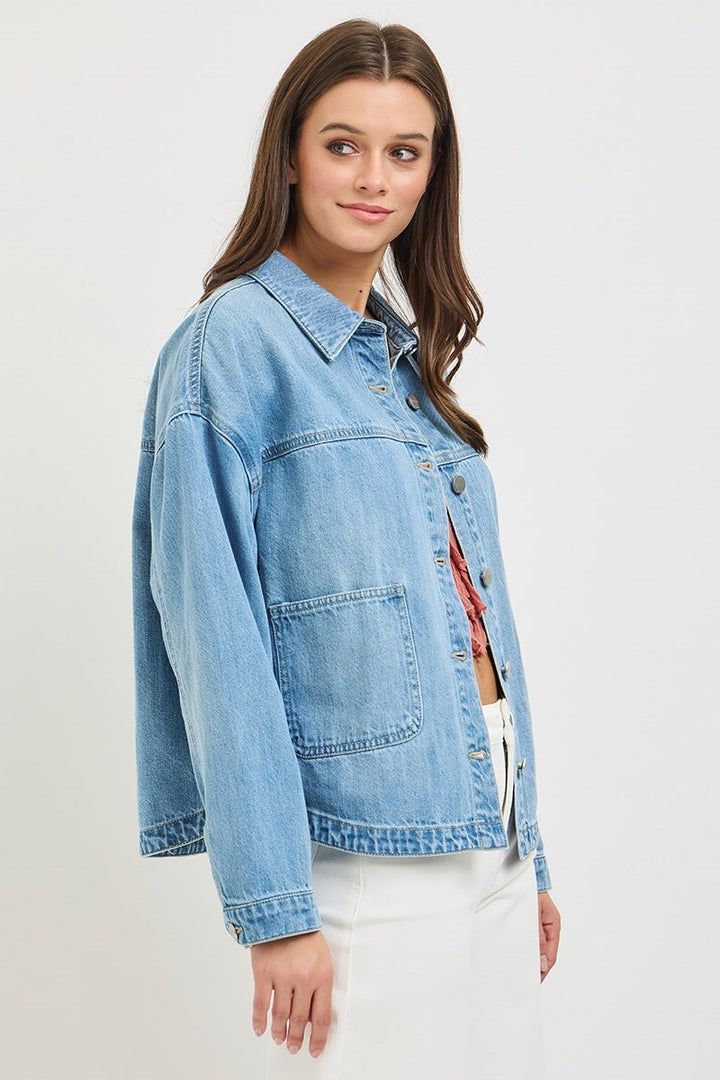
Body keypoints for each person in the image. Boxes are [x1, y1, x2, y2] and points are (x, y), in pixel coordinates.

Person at [131, 18, 561, 1079]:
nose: (375, 178)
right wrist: (277, 909)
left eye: (405, 152)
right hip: (360, 872)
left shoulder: (403, 367)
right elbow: (216, 637)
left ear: (433, 173)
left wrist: (530, 854)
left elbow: (475, 623)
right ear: (290, 154)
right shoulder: (229, 348)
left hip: (490, 847)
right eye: (342, 145)